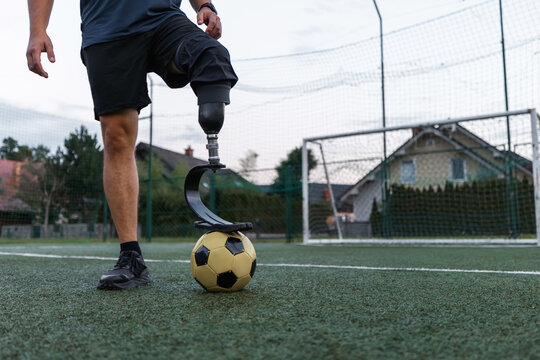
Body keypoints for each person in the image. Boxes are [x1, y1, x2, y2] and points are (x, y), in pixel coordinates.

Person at [26, 0, 238, 290]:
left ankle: (213, 143)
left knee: (211, 53)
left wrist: (204, 4)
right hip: (106, 26)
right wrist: (37, 30)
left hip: (161, 17)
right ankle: (131, 257)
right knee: (116, 137)